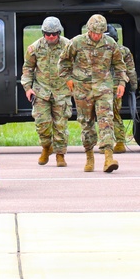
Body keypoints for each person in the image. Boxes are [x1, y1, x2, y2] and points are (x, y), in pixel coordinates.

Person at [58, 14, 126, 173]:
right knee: (86, 123)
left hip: (104, 88)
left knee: (106, 120)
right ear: (89, 29)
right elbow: (63, 62)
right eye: (94, 32)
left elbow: (119, 65)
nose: (97, 36)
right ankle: (89, 156)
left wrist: (121, 83)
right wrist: (68, 79)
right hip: (82, 89)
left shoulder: (110, 44)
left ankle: (108, 157)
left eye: (100, 33)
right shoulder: (76, 42)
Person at [21, 16, 72, 167]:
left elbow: (77, 65)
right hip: (41, 91)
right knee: (42, 124)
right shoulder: (34, 48)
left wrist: (75, 83)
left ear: (59, 32)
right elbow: (28, 69)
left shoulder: (68, 46)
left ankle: (60, 155)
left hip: (61, 91)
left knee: (61, 125)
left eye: (54, 34)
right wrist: (28, 88)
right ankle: (46, 147)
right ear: (43, 33)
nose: (51, 37)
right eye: (47, 34)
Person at [105, 24, 138, 154]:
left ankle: (110, 142)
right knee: (114, 114)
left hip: (105, 87)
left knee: (104, 115)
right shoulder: (124, 51)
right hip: (117, 87)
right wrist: (134, 88)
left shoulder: (98, 51)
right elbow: (131, 71)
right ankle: (118, 142)